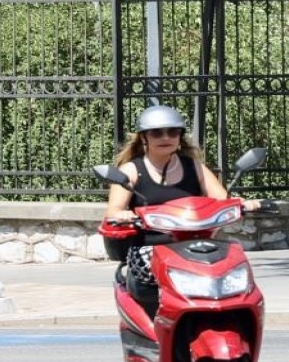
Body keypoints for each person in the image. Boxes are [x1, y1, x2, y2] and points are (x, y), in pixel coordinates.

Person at [103, 105, 259, 300]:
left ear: (180, 137)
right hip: (152, 248)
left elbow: (222, 200)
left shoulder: (194, 166)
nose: (165, 137)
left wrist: (242, 204)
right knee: (148, 283)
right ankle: (155, 322)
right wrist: (124, 215)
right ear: (144, 137)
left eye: (173, 132)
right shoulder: (131, 170)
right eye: (157, 133)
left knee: (232, 271)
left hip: (198, 245)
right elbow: (113, 211)